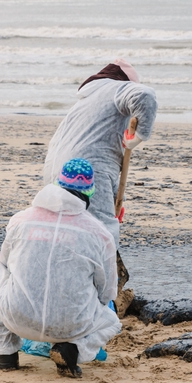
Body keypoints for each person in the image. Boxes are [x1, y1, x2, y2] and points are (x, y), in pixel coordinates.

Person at [0, 158, 119, 378]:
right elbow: (107, 292)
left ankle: (5, 353)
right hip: (71, 327)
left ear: (58, 185)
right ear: (90, 193)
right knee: (111, 321)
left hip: (17, 318)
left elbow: (4, 265)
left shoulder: (21, 220)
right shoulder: (100, 234)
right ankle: (72, 349)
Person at [42, 59, 157, 248]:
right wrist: (138, 137)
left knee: (66, 230)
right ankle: (103, 274)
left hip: (56, 171)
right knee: (101, 232)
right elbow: (145, 95)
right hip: (87, 169)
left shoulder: (87, 100)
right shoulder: (117, 88)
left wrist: (115, 201)